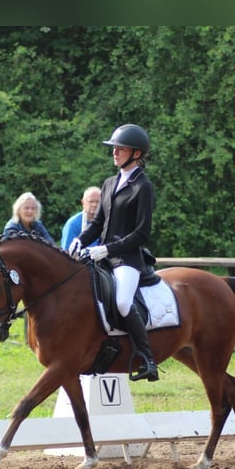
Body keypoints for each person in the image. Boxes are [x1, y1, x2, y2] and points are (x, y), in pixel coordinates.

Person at [68, 123, 158, 382]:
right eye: (114, 148)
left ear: (137, 154)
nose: (114, 152)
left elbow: (141, 233)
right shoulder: (109, 183)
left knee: (121, 301)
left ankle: (147, 357)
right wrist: (79, 240)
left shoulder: (143, 186)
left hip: (127, 259)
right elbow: (97, 224)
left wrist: (107, 248)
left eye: (120, 148)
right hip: (101, 255)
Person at [60, 186, 101, 250]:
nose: (94, 205)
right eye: (91, 201)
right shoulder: (73, 224)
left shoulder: (107, 222)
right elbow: (66, 251)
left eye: (97, 202)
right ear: (83, 202)